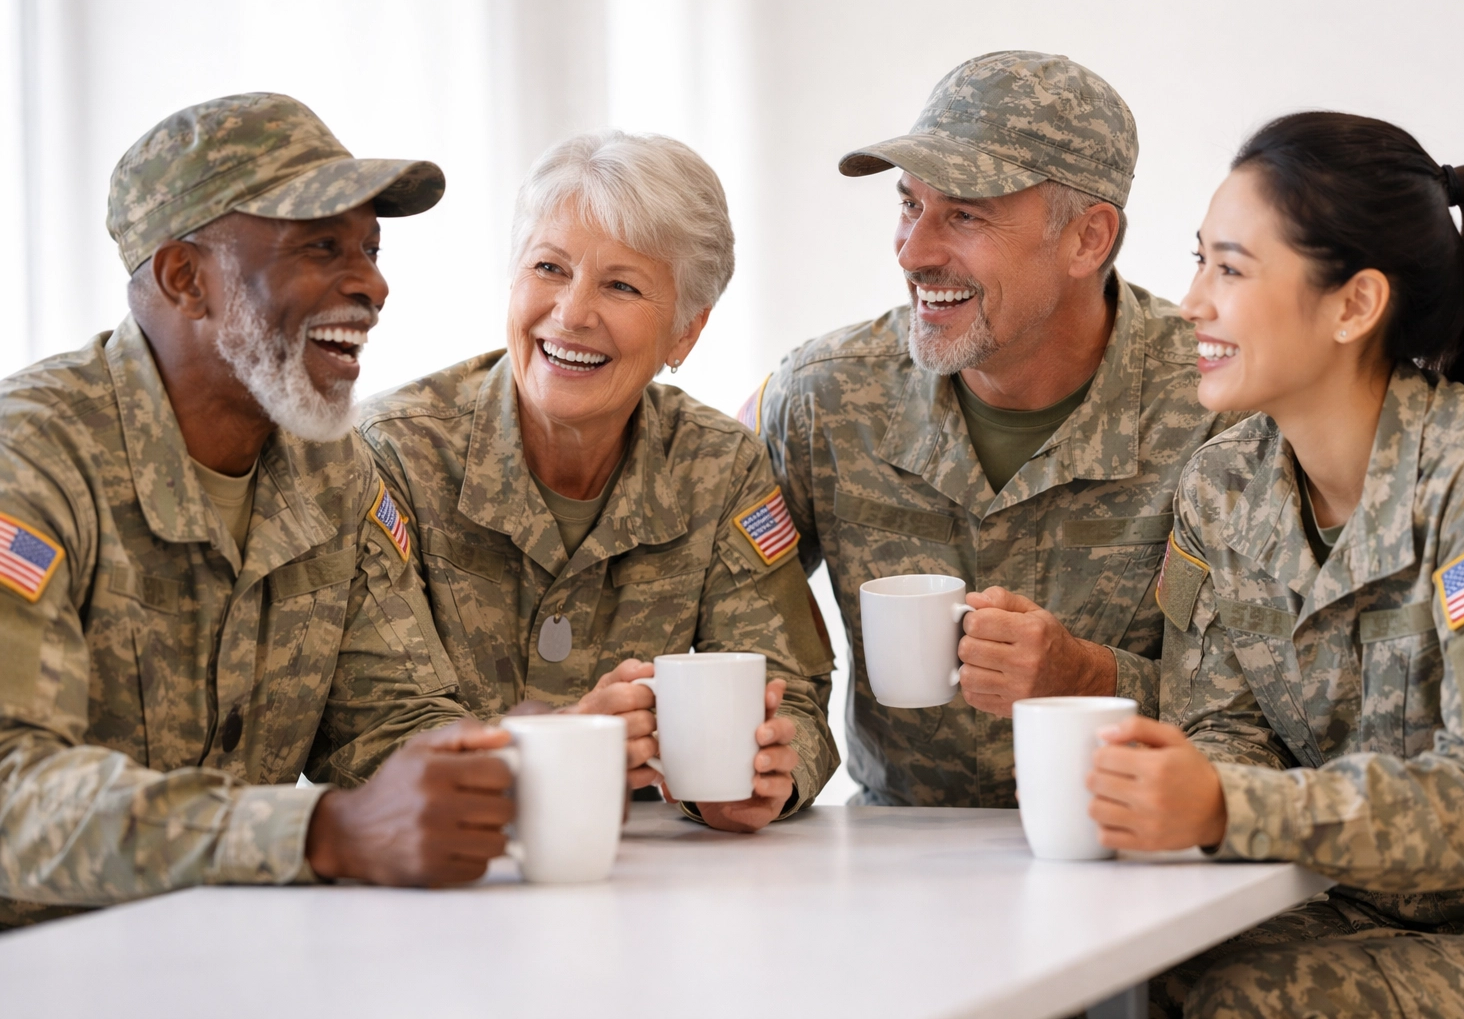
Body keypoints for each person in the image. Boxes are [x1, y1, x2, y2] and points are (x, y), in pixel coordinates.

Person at [0, 93, 517, 929]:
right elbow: (9, 793)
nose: (373, 284)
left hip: (230, 962)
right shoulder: (30, 458)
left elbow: (389, 721)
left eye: (371, 248)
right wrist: (318, 832)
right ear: (184, 278)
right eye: (321, 246)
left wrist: (509, 754)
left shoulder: (330, 466)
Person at [1087, 111, 1464, 1017]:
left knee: (1240, 1003)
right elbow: (1227, 732)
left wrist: (1231, 809)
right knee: (1111, 984)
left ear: (1355, 305)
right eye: (1198, 260)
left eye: (1231, 268)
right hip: (1332, 904)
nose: (1192, 303)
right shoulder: (1221, 483)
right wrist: (1173, 789)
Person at [747, 51, 1243, 807]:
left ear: (1088, 239)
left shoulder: (1221, 409)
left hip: (1140, 866)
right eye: (910, 205)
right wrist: (776, 773)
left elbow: (1276, 699)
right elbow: (740, 638)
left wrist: (1088, 678)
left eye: (966, 215)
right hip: (894, 870)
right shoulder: (823, 397)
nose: (914, 253)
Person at [359, 131, 838, 834]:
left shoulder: (718, 466)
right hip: (444, 874)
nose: (573, 313)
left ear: (685, 332)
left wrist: (766, 775)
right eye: (549, 268)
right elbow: (370, 728)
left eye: (621, 285)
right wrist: (563, 754)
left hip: (652, 887)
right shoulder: (392, 454)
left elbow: (789, 689)